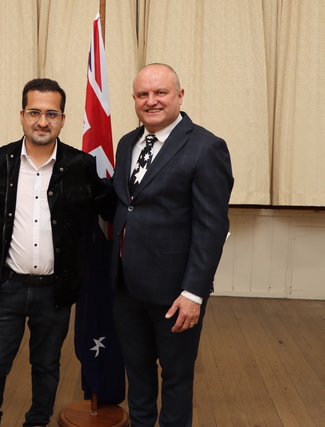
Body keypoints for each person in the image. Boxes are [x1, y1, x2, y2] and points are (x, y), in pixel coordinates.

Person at [0, 78, 115, 427]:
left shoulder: (81, 165)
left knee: (47, 365)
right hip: (6, 286)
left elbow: (114, 207)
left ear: (63, 119)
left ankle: (37, 422)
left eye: (51, 114)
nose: (42, 121)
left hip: (56, 290)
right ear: (22, 115)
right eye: (34, 112)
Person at [111, 63, 234, 426]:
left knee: (177, 379)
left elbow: (212, 228)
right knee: (138, 375)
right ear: (134, 99)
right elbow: (128, 205)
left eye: (160, 93)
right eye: (142, 94)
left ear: (179, 96)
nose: (151, 101)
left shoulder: (206, 147)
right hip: (126, 287)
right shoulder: (127, 143)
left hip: (175, 294)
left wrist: (194, 293)